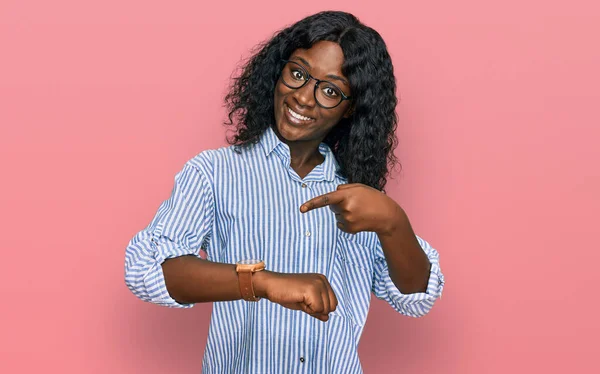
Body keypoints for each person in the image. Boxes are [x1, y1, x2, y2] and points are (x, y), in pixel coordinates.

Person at [125, 10, 444, 374]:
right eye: (298, 73)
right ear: (278, 71)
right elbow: (145, 269)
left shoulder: (361, 199)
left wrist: (393, 223)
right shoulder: (214, 172)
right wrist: (261, 283)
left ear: (351, 108)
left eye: (329, 91)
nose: (304, 98)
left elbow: (416, 298)